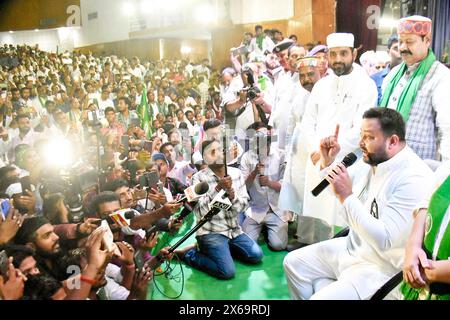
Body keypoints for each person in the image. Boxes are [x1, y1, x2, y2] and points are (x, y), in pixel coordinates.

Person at [284, 107, 435, 300]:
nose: (361, 143)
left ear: (393, 141)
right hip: (353, 248)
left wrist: (347, 196)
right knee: (293, 264)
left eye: (369, 137)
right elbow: (342, 184)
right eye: (361, 136)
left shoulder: (413, 177)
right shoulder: (375, 159)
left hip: (379, 269)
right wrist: (328, 162)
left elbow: (385, 240)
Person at [299, 32, 378, 245]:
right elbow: (308, 121)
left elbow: (363, 126)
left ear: (353, 53)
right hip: (318, 158)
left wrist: (335, 148)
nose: (338, 60)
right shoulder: (321, 85)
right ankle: (315, 251)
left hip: (348, 161)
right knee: (318, 210)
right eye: (333, 54)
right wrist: (317, 149)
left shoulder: (366, 85)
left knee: (342, 216)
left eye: (343, 54)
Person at [174, 139, 262, 279]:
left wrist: (233, 197)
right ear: (205, 159)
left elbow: (244, 205)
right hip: (210, 232)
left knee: (256, 255)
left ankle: (221, 250)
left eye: (220, 149)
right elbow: (200, 211)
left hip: (234, 230)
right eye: (212, 152)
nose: (218, 154)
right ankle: (188, 254)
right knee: (227, 272)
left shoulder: (236, 173)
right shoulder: (197, 178)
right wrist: (217, 189)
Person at [380, 15, 450, 161]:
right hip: (386, 162)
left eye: (409, 41)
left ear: (427, 41)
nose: (403, 47)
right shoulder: (393, 75)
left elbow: (447, 130)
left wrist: (445, 174)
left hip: (420, 168)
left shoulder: (441, 77)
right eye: (400, 41)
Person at [401, 166, 450, 300]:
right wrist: (413, 246)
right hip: (421, 287)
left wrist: (426, 272)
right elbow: (426, 203)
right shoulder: (446, 168)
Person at [240, 122, 288, 251]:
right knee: (247, 246)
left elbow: (286, 187)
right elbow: (243, 186)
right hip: (256, 210)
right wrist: (254, 172)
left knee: (278, 245)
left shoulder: (281, 155)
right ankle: (259, 227)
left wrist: (269, 183)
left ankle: (269, 230)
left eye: (266, 134)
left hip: (276, 210)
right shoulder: (247, 157)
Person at [371, 34, 401, 104]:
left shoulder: (411, 79)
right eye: (396, 48)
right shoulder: (374, 79)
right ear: (388, 52)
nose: (400, 51)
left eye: (401, 48)